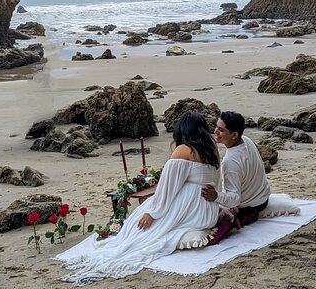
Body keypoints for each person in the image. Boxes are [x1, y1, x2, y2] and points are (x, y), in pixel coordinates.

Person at [61, 112, 221, 285]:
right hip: (207, 211)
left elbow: (167, 189)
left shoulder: (184, 150)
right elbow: (217, 183)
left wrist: (153, 213)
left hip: (191, 208)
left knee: (139, 223)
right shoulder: (214, 151)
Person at [201, 111, 271, 245]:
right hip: (264, 197)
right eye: (216, 127)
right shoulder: (247, 140)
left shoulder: (231, 161)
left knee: (208, 211)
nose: (215, 131)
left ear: (234, 135)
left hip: (251, 207)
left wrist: (215, 196)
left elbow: (234, 199)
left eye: (221, 130)